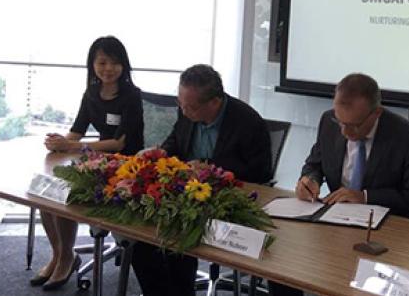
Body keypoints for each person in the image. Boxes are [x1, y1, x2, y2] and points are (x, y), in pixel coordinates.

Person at [130, 64, 272, 296]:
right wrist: (161, 153)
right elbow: (176, 142)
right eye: (180, 104)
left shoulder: (248, 122)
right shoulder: (187, 110)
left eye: (191, 107)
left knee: (175, 242)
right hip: (184, 194)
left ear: (214, 102)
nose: (184, 111)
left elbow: (260, 172)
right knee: (142, 244)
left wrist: (211, 168)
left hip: (224, 198)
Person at [34, 36, 144, 290]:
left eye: (115, 63)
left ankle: (66, 259)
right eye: (102, 62)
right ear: (92, 65)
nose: (108, 68)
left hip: (125, 166)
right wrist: (59, 142)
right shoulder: (92, 93)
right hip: (97, 161)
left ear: (124, 65)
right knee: (47, 193)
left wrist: (73, 146)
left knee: (66, 194)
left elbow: (118, 143)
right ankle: (60, 254)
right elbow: (77, 131)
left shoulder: (131, 95)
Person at [295, 73, 409, 217]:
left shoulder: (408, 137)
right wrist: (310, 180)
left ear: (377, 113)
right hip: (335, 216)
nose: (344, 132)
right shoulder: (328, 121)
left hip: (386, 222)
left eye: (354, 125)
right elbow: (314, 165)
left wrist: (365, 197)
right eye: (340, 122)